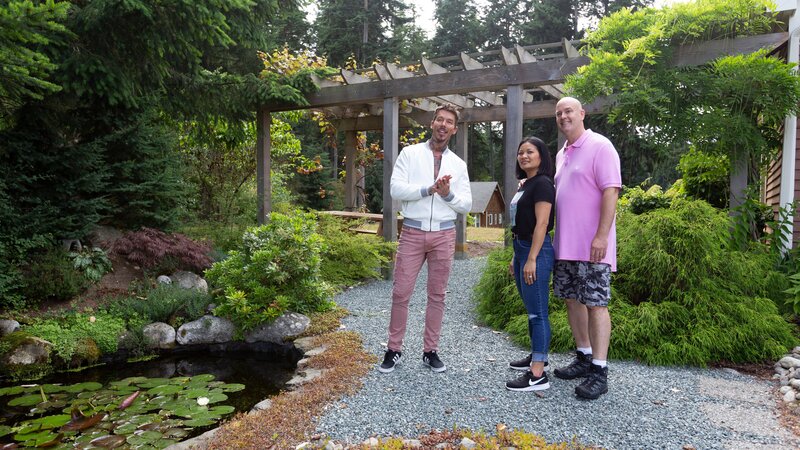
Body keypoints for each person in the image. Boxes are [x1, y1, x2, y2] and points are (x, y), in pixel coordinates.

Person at [378, 104, 472, 374]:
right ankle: (393, 349)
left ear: (454, 129)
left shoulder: (458, 164)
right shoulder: (410, 153)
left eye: (449, 122)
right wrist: (428, 189)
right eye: (439, 119)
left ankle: (430, 351)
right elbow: (396, 188)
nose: (443, 124)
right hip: (413, 231)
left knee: (437, 295)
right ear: (432, 123)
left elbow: (465, 204)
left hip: (444, 233)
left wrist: (446, 195)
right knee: (401, 291)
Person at [551, 97, 621, 400]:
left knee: (596, 304)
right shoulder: (561, 154)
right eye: (559, 113)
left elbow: (611, 191)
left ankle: (599, 370)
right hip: (566, 245)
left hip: (593, 246)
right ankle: (583, 356)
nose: (563, 116)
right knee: (572, 300)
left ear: (582, 114)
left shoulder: (601, 146)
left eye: (568, 111)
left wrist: (602, 236)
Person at [505, 137, 556, 392]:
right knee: (531, 309)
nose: (524, 156)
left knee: (538, 313)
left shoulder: (543, 184)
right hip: (522, 247)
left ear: (541, 155)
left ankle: (537, 375)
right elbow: (520, 221)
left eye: (530, 152)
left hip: (536, 250)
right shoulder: (526, 184)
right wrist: (517, 256)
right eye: (520, 152)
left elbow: (541, 224)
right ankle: (538, 355)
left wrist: (532, 258)